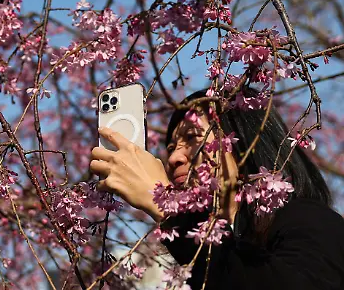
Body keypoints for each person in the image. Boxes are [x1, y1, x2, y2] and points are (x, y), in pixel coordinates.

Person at [89, 87, 344, 289]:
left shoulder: (310, 220)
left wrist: (166, 207)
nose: (174, 159)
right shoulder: (195, 256)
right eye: (170, 148)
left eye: (192, 138)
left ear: (243, 144)